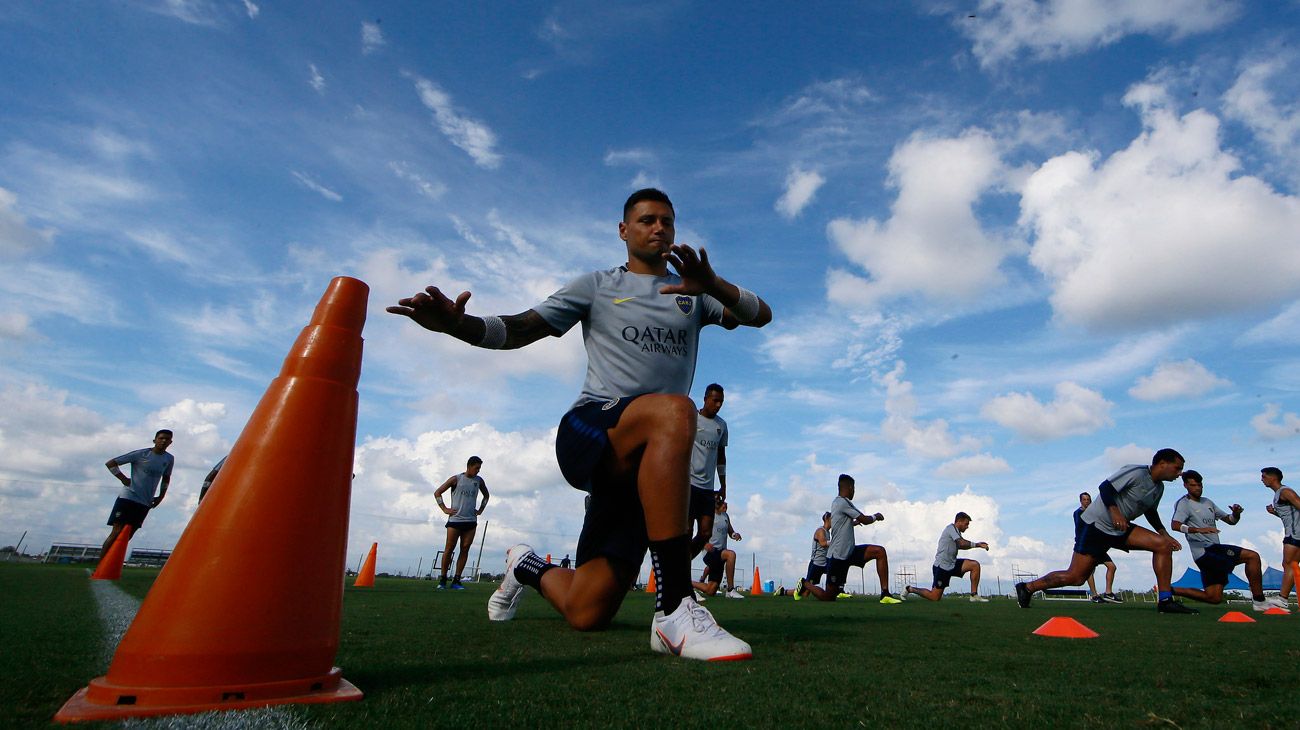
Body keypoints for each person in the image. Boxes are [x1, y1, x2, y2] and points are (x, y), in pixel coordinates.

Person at [387, 188, 771, 661]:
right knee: (675, 408)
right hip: (591, 432)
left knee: (587, 612)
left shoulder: (693, 293)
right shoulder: (597, 285)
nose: (659, 229)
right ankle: (675, 611)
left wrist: (712, 282)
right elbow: (523, 328)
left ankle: (525, 566)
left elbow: (760, 315)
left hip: (642, 473)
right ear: (623, 230)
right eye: (647, 220)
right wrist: (456, 327)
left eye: (667, 222)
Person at [1017, 449, 1196, 614]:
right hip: (1096, 527)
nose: (1179, 473)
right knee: (1076, 577)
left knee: (1162, 546)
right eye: (1177, 468)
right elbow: (1105, 487)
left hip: (1120, 529)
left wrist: (1164, 534)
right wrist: (1115, 511)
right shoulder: (1136, 472)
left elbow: (1150, 511)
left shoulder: (1159, 488)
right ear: (1162, 463)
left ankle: (1165, 600)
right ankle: (1028, 587)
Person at [1170, 470, 1276, 612]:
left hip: (1215, 551)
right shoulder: (1183, 504)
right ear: (1185, 486)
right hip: (1205, 552)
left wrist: (1235, 514)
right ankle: (1259, 601)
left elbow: (1230, 521)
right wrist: (1197, 530)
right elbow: (1175, 525)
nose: (1197, 488)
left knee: (1214, 598)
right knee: (1252, 556)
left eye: (1200, 485)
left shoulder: (1207, 502)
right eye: (1193, 485)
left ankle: (1169, 590)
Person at [796, 474, 901, 604]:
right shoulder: (841, 502)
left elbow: (844, 523)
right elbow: (864, 519)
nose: (854, 491)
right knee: (829, 597)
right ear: (850, 488)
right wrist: (876, 516)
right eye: (854, 488)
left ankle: (885, 594)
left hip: (850, 552)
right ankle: (805, 583)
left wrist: (854, 523)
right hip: (837, 557)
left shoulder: (841, 503)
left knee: (879, 551)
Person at [101, 430, 175, 555]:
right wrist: (123, 478)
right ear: (155, 440)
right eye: (161, 438)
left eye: (167, 439)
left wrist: (161, 496)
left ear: (170, 442)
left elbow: (166, 478)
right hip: (128, 497)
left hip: (145, 500)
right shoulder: (141, 454)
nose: (163, 441)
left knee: (128, 534)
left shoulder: (169, 458)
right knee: (117, 531)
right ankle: (100, 565)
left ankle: (112, 562)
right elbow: (111, 463)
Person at [433, 456, 490, 590]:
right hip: (455, 520)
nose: (478, 471)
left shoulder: (479, 481)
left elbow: (486, 496)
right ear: (469, 466)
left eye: (479, 468)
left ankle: (457, 580)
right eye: (476, 468)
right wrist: (444, 508)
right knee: (449, 548)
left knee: (465, 549)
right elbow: (437, 493)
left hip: (471, 521)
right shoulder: (456, 479)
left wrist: (481, 509)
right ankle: (443, 578)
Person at [904, 512, 989, 602]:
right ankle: (910, 589)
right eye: (966, 524)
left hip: (952, 563)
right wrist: (978, 545)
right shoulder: (950, 528)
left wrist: (976, 545)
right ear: (959, 521)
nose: (967, 527)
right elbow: (961, 543)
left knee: (974, 565)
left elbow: (961, 546)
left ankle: (974, 595)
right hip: (942, 567)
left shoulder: (957, 533)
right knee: (935, 597)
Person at [688, 383, 728, 560]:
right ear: (705, 399)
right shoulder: (692, 419)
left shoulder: (721, 426)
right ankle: (678, 572)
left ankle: (681, 564)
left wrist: (723, 484)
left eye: (721, 402)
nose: (718, 405)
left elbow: (721, 456)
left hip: (707, 488)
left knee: (705, 533)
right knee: (686, 531)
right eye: (715, 401)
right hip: (688, 484)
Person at [1262, 466, 1300, 606]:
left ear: (1273, 478)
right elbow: (1291, 514)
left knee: (1289, 564)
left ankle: (1282, 599)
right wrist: (1275, 513)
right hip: (1293, 531)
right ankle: (1283, 598)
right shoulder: (1278, 494)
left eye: (1264, 476)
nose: (1262, 479)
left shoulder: (1285, 492)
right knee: (1290, 564)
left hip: (1295, 533)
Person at [693, 498, 743, 599]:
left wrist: (735, 535)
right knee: (731, 554)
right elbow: (700, 532)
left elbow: (730, 532)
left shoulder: (725, 516)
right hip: (710, 552)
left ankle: (686, 584)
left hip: (720, 554)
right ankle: (730, 590)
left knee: (711, 590)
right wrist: (704, 544)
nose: (725, 506)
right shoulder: (709, 515)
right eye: (722, 504)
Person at [1074, 492, 1120, 603]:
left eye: (1088, 499)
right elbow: (1082, 528)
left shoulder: (1094, 513)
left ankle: (1108, 592)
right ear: (1081, 501)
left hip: (1098, 545)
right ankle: (1094, 595)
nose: (1086, 501)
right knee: (1089, 570)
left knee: (1112, 567)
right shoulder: (1078, 513)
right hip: (1087, 546)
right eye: (1084, 499)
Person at [794, 512, 833, 602]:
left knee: (835, 576)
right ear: (827, 519)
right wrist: (836, 542)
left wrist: (855, 523)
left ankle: (838, 591)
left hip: (825, 563)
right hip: (816, 564)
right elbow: (823, 543)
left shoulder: (828, 532)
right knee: (806, 593)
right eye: (833, 519)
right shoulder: (820, 531)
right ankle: (788, 590)